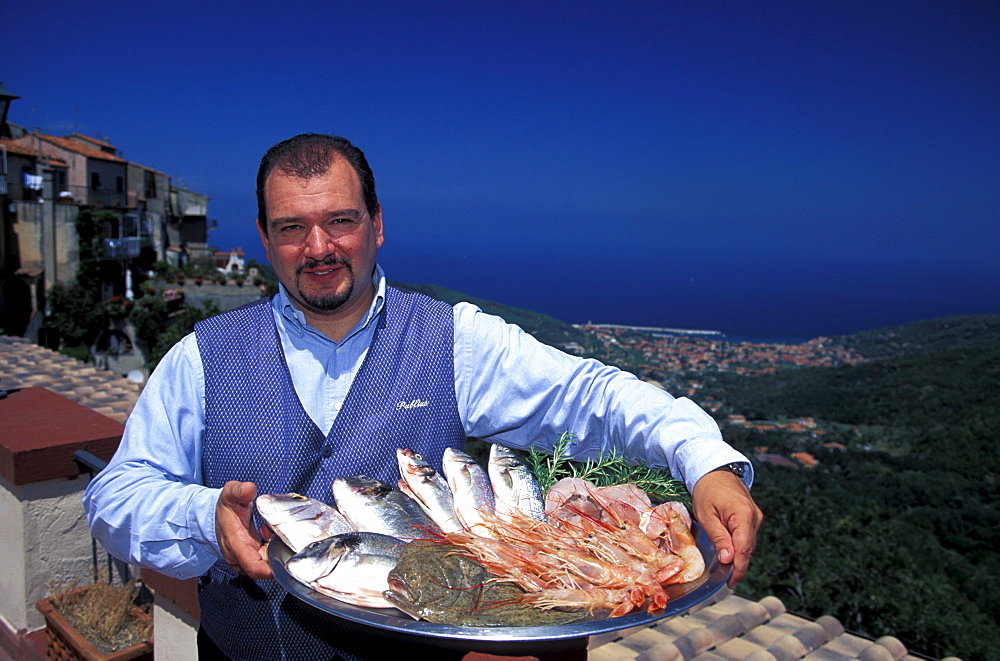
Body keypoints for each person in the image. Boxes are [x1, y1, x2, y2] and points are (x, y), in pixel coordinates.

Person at [84, 133, 762, 661]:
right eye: (292, 227)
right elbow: (114, 498)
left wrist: (707, 462)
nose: (318, 247)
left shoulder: (454, 341)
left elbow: (595, 397)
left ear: (377, 224)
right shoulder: (202, 358)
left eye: (340, 221)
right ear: (264, 237)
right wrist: (207, 518)